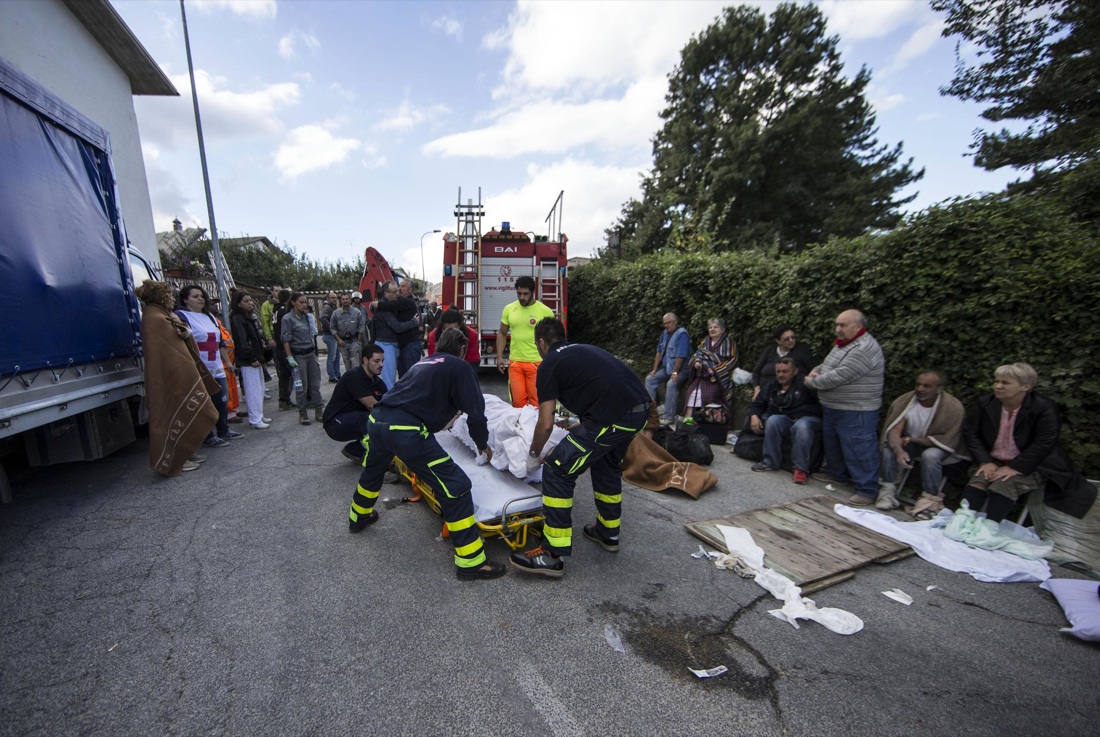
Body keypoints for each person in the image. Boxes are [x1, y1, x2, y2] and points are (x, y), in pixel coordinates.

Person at [346, 328, 506, 580]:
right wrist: (482, 444)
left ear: (438, 345)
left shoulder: (424, 362)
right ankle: (471, 562)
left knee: (374, 471)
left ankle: (358, 517)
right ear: (462, 349)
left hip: (377, 421)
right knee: (456, 486)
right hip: (405, 431)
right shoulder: (460, 367)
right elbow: (476, 414)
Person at [510, 318, 651, 578]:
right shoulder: (583, 349)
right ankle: (608, 533)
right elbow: (601, 387)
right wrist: (582, 426)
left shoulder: (549, 364)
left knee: (557, 469)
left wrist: (534, 454)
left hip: (613, 418)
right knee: (605, 464)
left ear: (541, 343)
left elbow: (545, 423)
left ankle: (552, 554)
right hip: (639, 411)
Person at [135, 281, 218, 475]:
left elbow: (181, 338)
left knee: (183, 413)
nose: (173, 298)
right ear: (161, 297)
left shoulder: (162, 315)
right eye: (170, 295)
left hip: (173, 375)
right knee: (169, 416)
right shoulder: (155, 318)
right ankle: (175, 460)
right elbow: (173, 348)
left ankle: (186, 452)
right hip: (168, 378)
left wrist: (181, 327)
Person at [803, 309, 885, 506]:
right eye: (837, 324)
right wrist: (815, 371)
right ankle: (837, 475)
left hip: (857, 409)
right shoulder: (844, 343)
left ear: (858, 326)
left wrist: (812, 381)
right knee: (834, 445)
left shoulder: (863, 348)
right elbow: (827, 366)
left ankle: (867, 490)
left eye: (843, 325)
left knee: (860, 449)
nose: (837, 329)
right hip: (835, 407)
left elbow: (838, 376)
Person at [876, 371, 966, 516]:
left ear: (939, 388)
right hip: (912, 443)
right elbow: (894, 432)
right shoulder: (905, 402)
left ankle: (930, 500)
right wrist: (899, 451)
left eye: (926, 386)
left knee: (930, 456)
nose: (920, 389)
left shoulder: (953, 408)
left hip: (939, 446)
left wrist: (913, 440)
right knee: (889, 449)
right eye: (918, 384)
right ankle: (887, 491)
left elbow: (948, 438)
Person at [175, 285, 241, 448]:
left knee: (221, 400)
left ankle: (223, 429)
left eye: (201, 296)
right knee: (204, 403)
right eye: (195, 296)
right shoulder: (181, 316)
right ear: (185, 299)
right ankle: (208, 435)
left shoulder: (209, 317)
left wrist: (227, 362)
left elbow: (219, 342)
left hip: (216, 365)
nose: (200, 299)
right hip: (200, 369)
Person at [746, 357, 822, 484]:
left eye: (785, 371)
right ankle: (770, 462)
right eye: (778, 371)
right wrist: (754, 416)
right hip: (786, 418)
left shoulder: (804, 383)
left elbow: (820, 396)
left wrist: (814, 380)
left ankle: (800, 469)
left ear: (795, 371)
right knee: (773, 420)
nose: (781, 375)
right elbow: (757, 404)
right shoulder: (772, 385)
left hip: (808, 419)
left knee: (801, 426)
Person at [495, 275, 555, 408]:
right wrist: (499, 356)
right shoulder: (509, 309)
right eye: (519, 294)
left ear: (533, 292)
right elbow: (502, 333)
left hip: (537, 363)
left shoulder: (545, 311)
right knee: (517, 403)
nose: (522, 297)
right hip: (515, 363)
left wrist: (552, 360)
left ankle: (537, 422)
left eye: (525, 294)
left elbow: (552, 339)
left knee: (537, 403)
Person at [322, 343, 387, 461]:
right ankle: (367, 453)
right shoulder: (354, 376)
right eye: (377, 361)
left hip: (353, 417)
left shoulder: (378, 382)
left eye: (382, 361)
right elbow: (372, 405)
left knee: (379, 419)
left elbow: (388, 402)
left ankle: (355, 450)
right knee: (375, 420)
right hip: (335, 423)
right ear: (365, 360)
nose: (381, 365)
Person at [229, 291, 270, 430]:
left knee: (260, 389)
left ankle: (259, 415)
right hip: (249, 361)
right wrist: (251, 357)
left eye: (250, 300)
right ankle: (255, 418)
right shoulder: (237, 319)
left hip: (256, 358)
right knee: (253, 391)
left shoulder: (247, 317)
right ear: (238, 304)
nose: (250, 303)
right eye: (246, 301)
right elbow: (241, 341)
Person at [282, 292, 324, 425]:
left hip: (310, 354)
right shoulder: (288, 318)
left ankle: (319, 410)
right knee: (302, 386)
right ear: (293, 302)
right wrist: (289, 357)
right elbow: (285, 340)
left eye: (305, 302)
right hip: (299, 355)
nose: (304, 305)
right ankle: (302, 412)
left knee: (315, 384)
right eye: (301, 302)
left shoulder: (306, 317)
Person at [683, 317, 738, 416]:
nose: (712, 329)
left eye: (715, 327)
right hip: (704, 375)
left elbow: (732, 361)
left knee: (709, 394)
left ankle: (710, 419)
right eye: (710, 327)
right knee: (691, 392)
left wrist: (715, 370)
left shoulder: (729, 343)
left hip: (720, 377)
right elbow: (696, 355)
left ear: (722, 329)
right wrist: (696, 362)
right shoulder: (705, 342)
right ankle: (688, 419)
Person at [371, 280, 419, 389]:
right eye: (395, 291)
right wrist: (414, 322)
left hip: (397, 345)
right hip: (386, 344)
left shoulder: (398, 303)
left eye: (400, 288)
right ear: (386, 293)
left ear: (410, 290)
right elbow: (397, 327)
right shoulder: (385, 308)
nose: (398, 293)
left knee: (406, 377)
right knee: (390, 380)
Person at [645, 312, 691, 425]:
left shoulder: (682, 334)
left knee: (671, 384)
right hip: (667, 367)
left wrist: (675, 372)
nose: (666, 326)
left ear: (675, 322)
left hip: (682, 369)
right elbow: (659, 351)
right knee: (650, 379)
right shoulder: (665, 333)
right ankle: (651, 412)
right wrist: (654, 369)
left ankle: (668, 417)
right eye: (664, 323)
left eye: (668, 323)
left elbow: (681, 355)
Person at [751, 325, 818, 399]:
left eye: (793, 337)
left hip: (792, 395)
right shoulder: (769, 350)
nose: (791, 340)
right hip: (766, 393)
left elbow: (814, 370)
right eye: (786, 339)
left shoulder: (802, 351)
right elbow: (756, 372)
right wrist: (757, 389)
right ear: (778, 341)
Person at [331, 292, 364, 378]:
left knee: (355, 363)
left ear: (350, 300)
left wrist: (359, 339)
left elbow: (361, 325)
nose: (345, 301)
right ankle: (349, 380)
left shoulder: (357, 312)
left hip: (354, 342)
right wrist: (338, 339)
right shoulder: (336, 313)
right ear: (340, 301)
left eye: (347, 299)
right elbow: (332, 328)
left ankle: (357, 380)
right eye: (343, 299)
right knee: (347, 363)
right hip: (342, 343)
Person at [272, 289, 295, 411]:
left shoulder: (275, 310)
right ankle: (288, 399)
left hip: (278, 345)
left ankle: (284, 400)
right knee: (292, 374)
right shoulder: (284, 311)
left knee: (284, 375)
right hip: (285, 346)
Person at [320, 291, 341, 383]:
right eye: (332, 298)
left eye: (335, 297)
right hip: (329, 335)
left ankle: (337, 374)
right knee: (332, 357)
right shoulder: (327, 307)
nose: (334, 299)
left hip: (332, 335)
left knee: (336, 356)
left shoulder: (332, 307)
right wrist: (332, 329)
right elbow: (322, 318)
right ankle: (332, 376)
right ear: (327, 298)